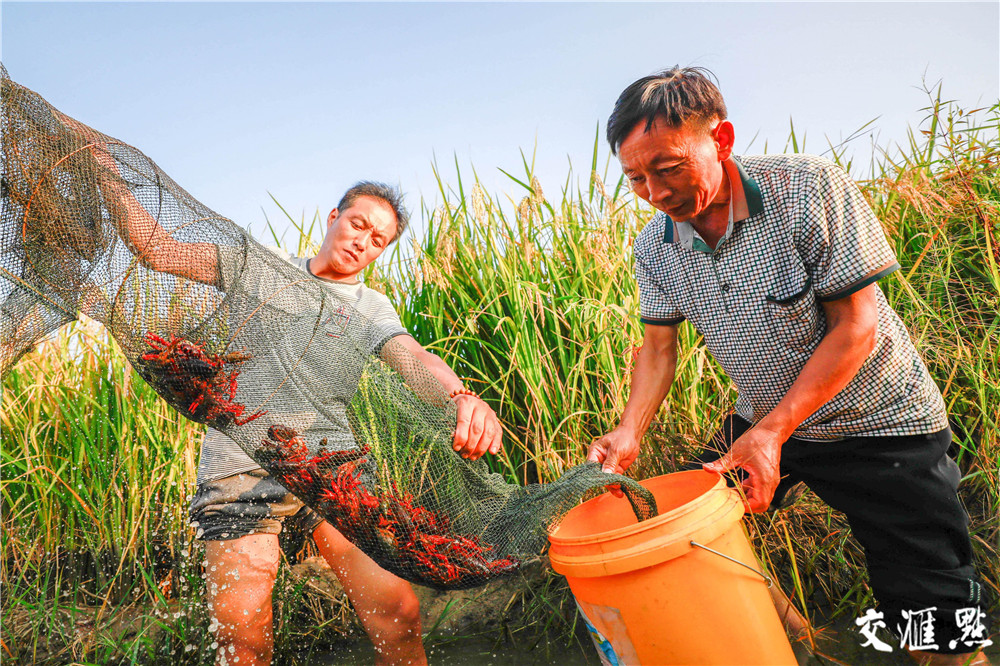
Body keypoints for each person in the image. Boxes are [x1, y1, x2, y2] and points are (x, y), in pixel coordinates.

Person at [587, 67, 990, 665]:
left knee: (932, 610)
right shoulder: (655, 246)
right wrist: (630, 430)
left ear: (720, 140)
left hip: (881, 423)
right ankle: (795, 643)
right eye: (636, 177)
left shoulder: (808, 190)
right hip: (759, 427)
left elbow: (857, 326)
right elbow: (658, 349)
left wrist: (774, 432)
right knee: (690, 536)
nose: (655, 192)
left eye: (669, 168)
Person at [98, 167, 504, 665]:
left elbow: (414, 359)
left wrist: (461, 397)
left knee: (398, 616)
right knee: (245, 645)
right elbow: (156, 248)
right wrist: (107, 173)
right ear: (335, 217)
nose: (362, 243)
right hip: (241, 474)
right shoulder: (262, 268)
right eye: (358, 225)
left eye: (378, 240)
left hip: (330, 472)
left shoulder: (371, 308)